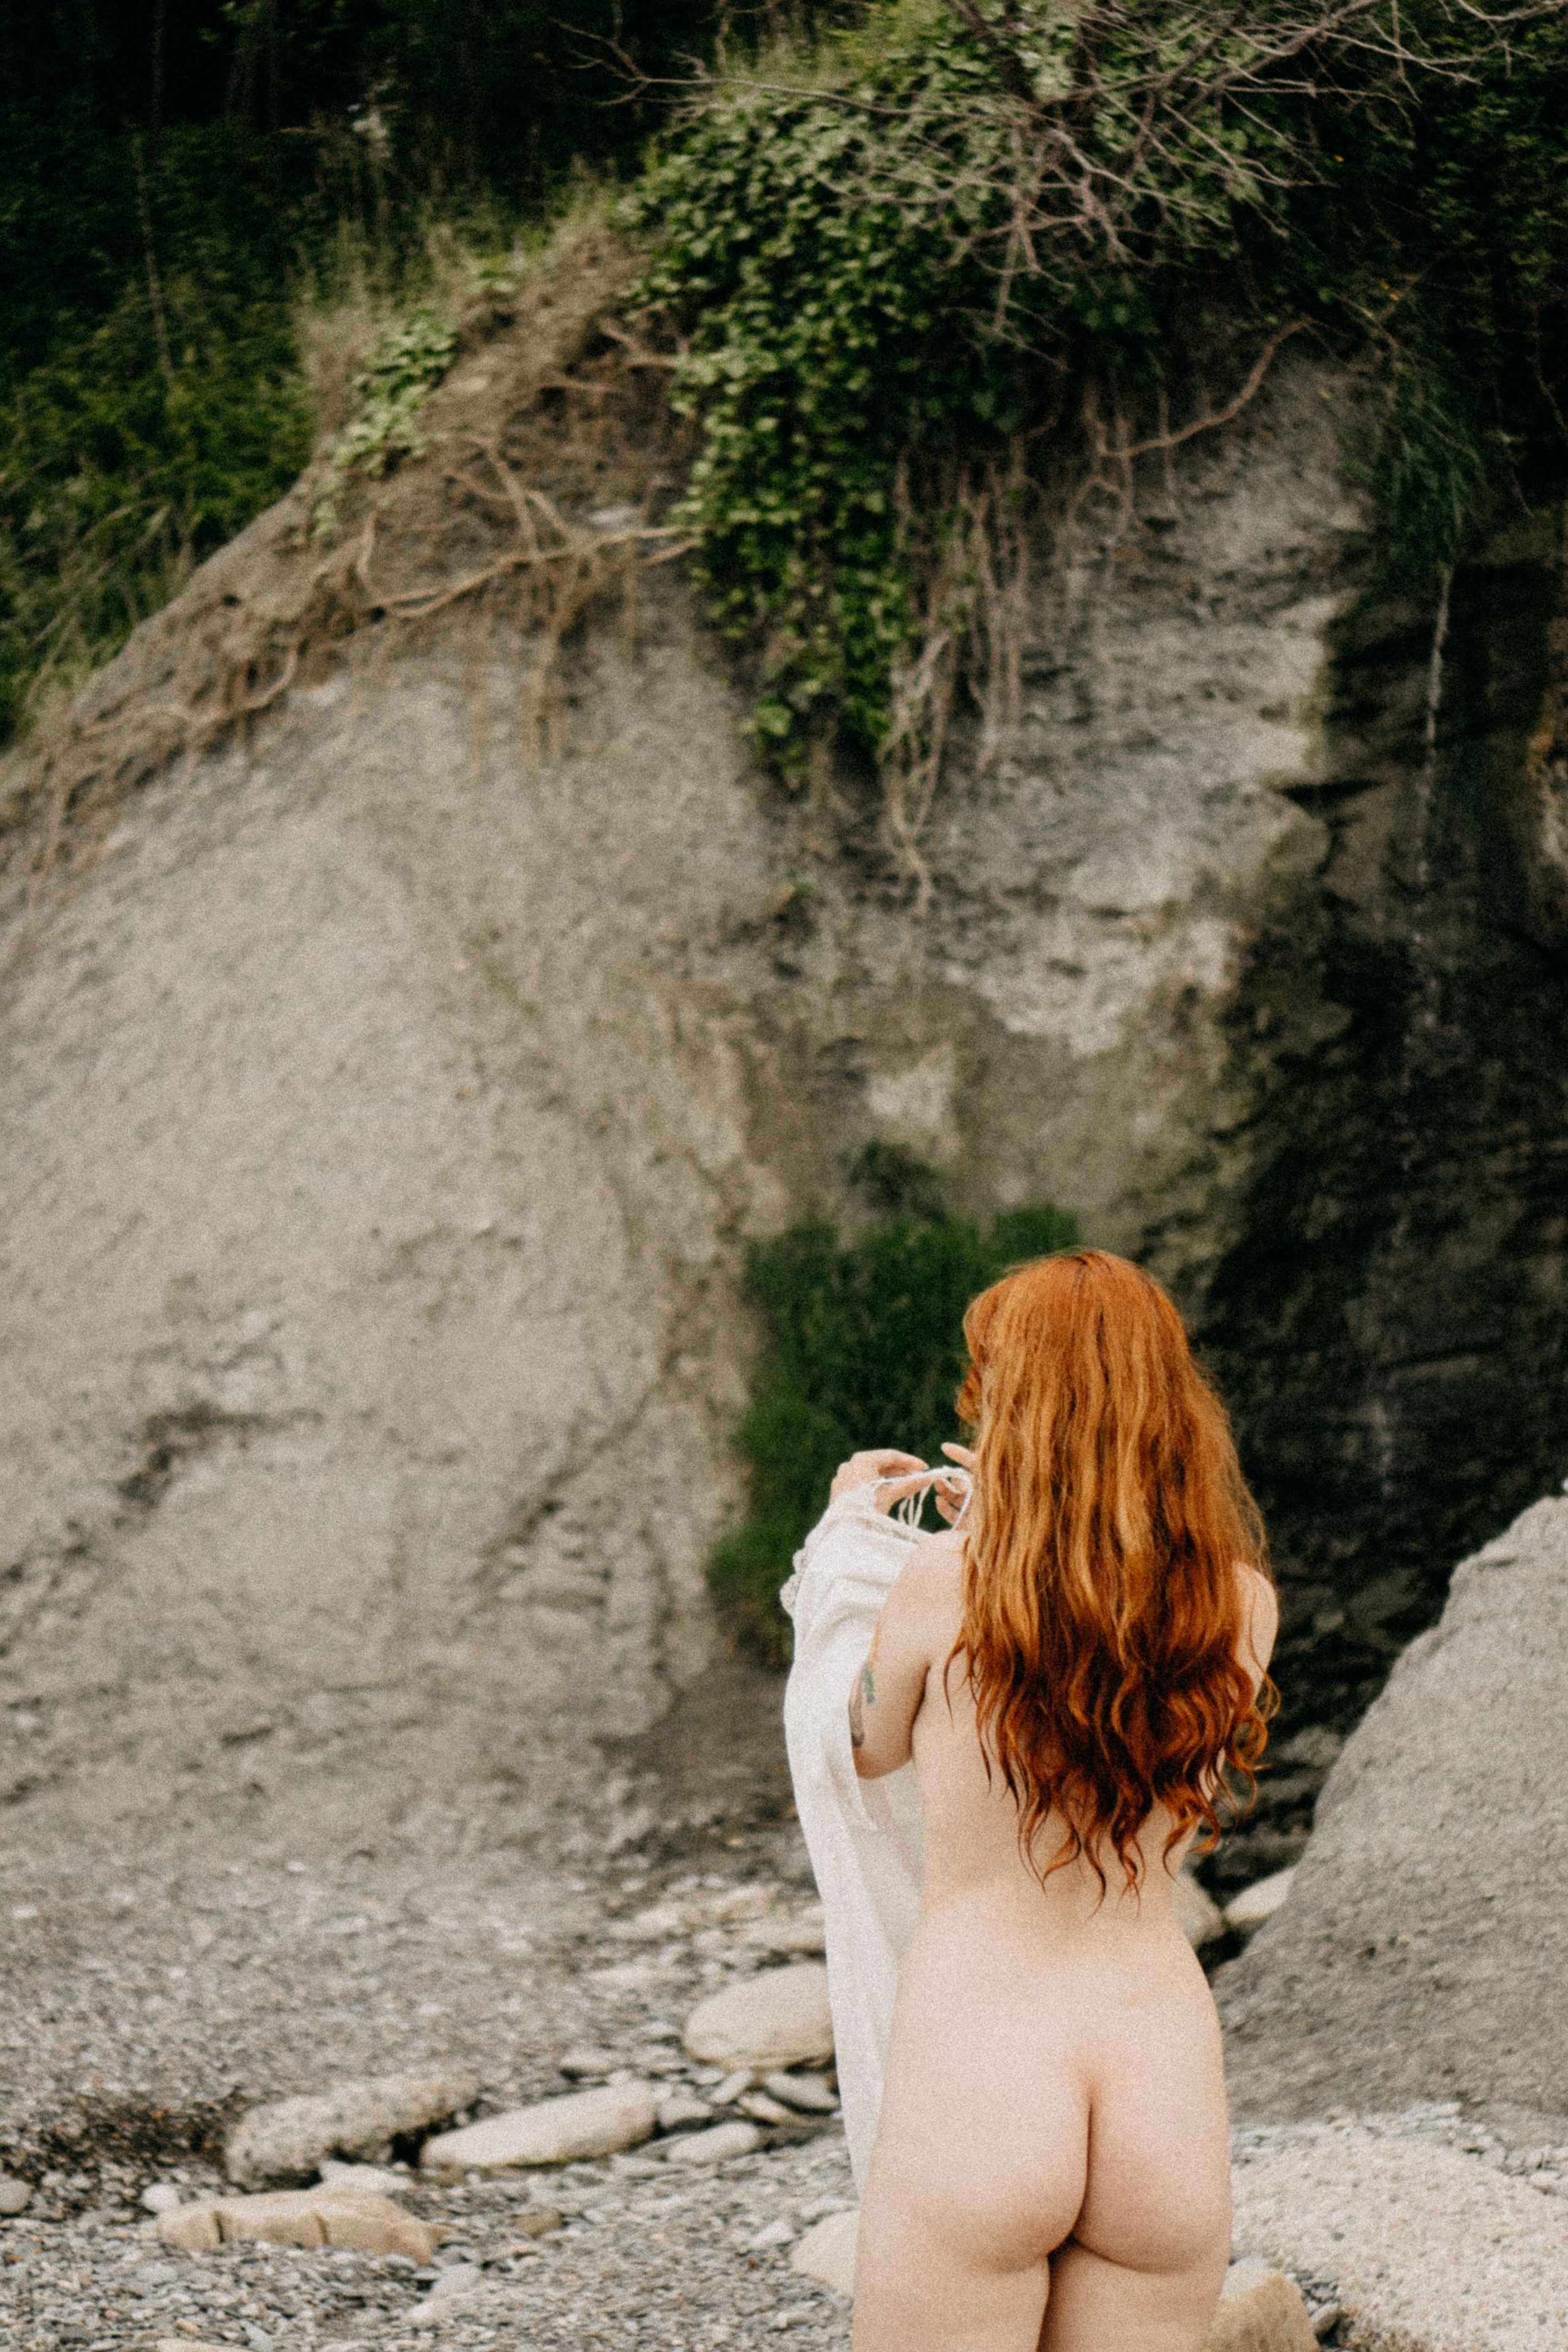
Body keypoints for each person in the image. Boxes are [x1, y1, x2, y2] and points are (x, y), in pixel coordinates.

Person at [837, 1248, 1277, 2352]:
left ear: (1011, 1412)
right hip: (1159, 2076)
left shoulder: (942, 1587)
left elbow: (859, 1744)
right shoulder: (1242, 1606)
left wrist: (850, 1540)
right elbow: (1102, 1615)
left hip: (985, 2064)